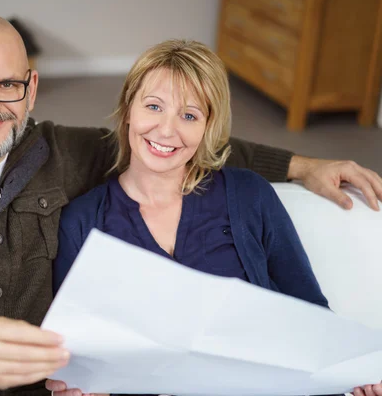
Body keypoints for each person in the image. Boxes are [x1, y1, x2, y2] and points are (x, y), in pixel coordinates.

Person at [0, 13, 382, 396]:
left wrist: (303, 167)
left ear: (31, 89)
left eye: (6, 86)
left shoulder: (62, 153)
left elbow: (176, 141)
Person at [47, 39, 381, 396]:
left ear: (209, 126)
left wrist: (355, 370)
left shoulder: (249, 195)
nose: (166, 130)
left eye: (189, 115)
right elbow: (79, 357)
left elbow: (312, 314)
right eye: (153, 106)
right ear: (129, 108)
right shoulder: (82, 222)